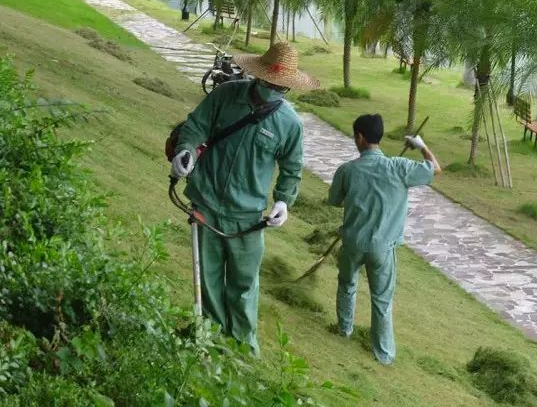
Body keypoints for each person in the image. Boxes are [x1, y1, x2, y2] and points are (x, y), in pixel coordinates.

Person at [170, 42, 319, 356]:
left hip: (248, 216)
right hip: (206, 201)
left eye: (281, 86)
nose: (273, 89)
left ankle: (241, 348)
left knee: (243, 284)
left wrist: (283, 202)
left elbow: (292, 168)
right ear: (257, 75)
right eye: (269, 82)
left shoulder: (289, 123)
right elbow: (196, 125)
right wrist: (186, 149)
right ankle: (208, 336)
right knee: (207, 276)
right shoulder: (225, 96)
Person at [328, 114, 441, 365]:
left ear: (359, 137)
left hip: (352, 242)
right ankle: (384, 354)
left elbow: (334, 201)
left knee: (347, 285)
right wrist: (421, 146)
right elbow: (435, 169)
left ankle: (344, 330)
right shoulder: (399, 167)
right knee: (381, 299)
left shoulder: (347, 170)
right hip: (382, 247)